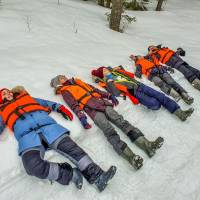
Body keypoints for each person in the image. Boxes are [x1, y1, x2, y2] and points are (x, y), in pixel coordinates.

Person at [0, 86, 116, 192]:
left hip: (50, 129)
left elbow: (45, 103)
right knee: (32, 166)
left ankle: (98, 177)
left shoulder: (26, 98)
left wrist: (59, 108)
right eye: (4, 93)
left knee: (73, 150)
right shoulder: (2, 111)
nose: (8, 93)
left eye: (8, 91)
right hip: (28, 138)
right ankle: (70, 174)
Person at [50, 75, 164, 170]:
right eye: (60, 78)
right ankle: (132, 158)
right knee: (109, 131)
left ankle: (147, 146)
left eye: (63, 76)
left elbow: (94, 89)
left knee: (122, 122)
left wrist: (108, 95)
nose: (63, 77)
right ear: (58, 83)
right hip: (92, 110)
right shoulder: (65, 91)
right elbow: (73, 104)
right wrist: (82, 118)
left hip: (102, 103)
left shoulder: (77, 82)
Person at [91, 66, 194, 122]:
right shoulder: (107, 83)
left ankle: (180, 113)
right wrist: (107, 81)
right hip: (133, 91)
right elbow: (116, 93)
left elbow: (131, 75)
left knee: (160, 96)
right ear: (102, 75)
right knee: (154, 103)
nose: (106, 71)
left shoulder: (116, 72)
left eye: (105, 69)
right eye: (103, 71)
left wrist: (119, 70)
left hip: (139, 85)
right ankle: (157, 105)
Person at [130, 55, 194, 105]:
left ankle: (184, 95)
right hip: (151, 75)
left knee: (170, 81)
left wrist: (167, 68)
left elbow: (158, 65)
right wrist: (137, 72)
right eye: (138, 57)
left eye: (140, 56)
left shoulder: (149, 59)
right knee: (160, 82)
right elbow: (138, 74)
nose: (140, 57)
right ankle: (175, 94)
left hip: (160, 71)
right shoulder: (138, 64)